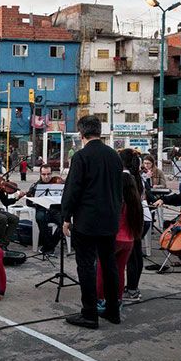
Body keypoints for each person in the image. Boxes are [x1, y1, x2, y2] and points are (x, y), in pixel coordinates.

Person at [61, 115, 123, 329]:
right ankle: (113, 310)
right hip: (110, 220)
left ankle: (89, 314)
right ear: (99, 131)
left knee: (86, 266)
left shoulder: (81, 156)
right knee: (109, 265)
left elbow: (72, 190)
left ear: (81, 134)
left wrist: (66, 217)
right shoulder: (115, 156)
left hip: (87, 222)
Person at [96, 172, 143, 312]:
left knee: (101, 269)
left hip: (113, 239)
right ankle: (118, 299)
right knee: (120, 270)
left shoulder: (117, 201)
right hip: (129, 240)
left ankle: (100, 299)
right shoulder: (135, 201)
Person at [120, 148, 152, 303]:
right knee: (136, 255)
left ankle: (132, 291)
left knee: (132, 257)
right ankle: (134, 288)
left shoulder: (125, 177)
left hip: (133, 218)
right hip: (143, 218)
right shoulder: (137, 176)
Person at [25, 164, 63, 254]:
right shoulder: (35, 186)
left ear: (52, 173)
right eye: (44, 174)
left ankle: (50, 245)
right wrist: (32, 199)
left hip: (55, 210)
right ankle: (49, 246)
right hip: (42, 210)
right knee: (40, 218)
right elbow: (28, 203)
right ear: (40, 174)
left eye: (49, 174)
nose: (46, 176)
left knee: (65, 223)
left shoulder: (57, 183)